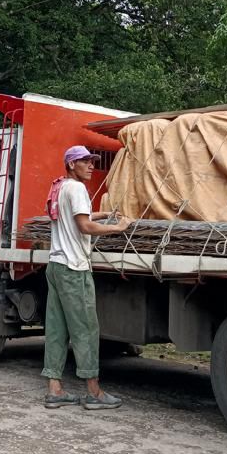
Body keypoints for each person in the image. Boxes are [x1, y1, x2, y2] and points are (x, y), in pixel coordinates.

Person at [42, 145, 129, 410]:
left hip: (55, 266)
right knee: (86, 330)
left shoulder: (59, 187)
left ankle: (55, 389)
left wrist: (101, 213)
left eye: (92, 161)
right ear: (71, 165)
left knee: (57, 330)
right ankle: (94, 393)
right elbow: (84, 225)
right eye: (85, 161)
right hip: (74, 270)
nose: (91, 165)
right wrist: (117, 227)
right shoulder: (78, 189)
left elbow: (76, 216)